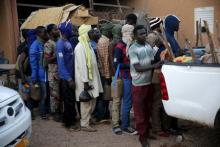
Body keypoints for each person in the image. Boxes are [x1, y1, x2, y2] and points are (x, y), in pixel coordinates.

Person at [128, 25, 162, 147]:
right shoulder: (133, 49)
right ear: (135, 36)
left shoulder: (148, 46)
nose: (144, 36)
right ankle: (143, 138)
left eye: (145, 33)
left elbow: (152, 62)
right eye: (141, 34)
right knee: (140, 113)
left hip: (149, 83)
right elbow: (137, 67)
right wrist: (155, 65)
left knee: (147, 110)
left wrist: (161, 61)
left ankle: (146, 133)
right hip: (138, 85)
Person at [75, 24, 103, 132]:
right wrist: (85, 82)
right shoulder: (80, 47)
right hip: (85, 80)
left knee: (92, 100)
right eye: (90, 32)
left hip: (92, 78)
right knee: (86, 102)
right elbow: (82, 66)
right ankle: (84, 124)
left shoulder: (88, 45)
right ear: (85, 33)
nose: (92, 33)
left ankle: (88, 119)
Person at [112, 23, 137, 135]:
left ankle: (124, 123)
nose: (133, 35)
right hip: (123, 77)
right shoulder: (119, 46)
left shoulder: (131, 45)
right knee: (122, 102)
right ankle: (124, 125)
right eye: (131, 33)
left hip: (131, 77)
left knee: (128, 101)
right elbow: (117, 64)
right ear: (126, 34)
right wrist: (133, 65)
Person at [147, 17, 169, 138]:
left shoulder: (159, 36)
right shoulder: (153, 37)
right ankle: (156, 127)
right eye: (161, 24)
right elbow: (150, 56)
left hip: (161, 72)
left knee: (161, 101)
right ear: (158, 25)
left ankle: (162, 126)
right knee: (157, 102)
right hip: (156, 73)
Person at [56, 22, 78, 130]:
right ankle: (69, 124)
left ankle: (69, 119)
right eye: (71, 29)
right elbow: (61, 64)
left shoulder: (67, 41)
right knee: (68, 101)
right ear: (66, 31)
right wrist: (69, 79)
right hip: (66, 78)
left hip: (71, 76)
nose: (72, 31)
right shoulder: (60, 44)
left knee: (71, 100)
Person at [95, 23, 114, 122]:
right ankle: (101, 116)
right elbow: (104, 61)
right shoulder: (104, 41)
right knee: (104, 95)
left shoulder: (104, 40)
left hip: (104, 73)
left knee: (105, 95)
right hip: (104, 73)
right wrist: (107, 76)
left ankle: (104, 114)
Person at [29, 26, 49, 119]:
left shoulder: (43, 44)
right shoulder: (34, 46)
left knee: (43, 94)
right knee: (41, 95)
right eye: (44, 32)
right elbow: (33, 65)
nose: (46, 34)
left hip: (45, 74)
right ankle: (41, 113)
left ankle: (43, 111)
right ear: (38, 34)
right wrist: (34, 78)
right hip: (40, 76)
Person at [44, 24, 61, 121]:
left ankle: (59, 111)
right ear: (50, 32)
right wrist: (58, 55)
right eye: (55, 29)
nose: (58, 31)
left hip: (60, 72)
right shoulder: (48, 44)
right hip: (53, 72)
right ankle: (54, 113)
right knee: (54, 95)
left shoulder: (58, 41)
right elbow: (47, 60)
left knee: (60, 94)